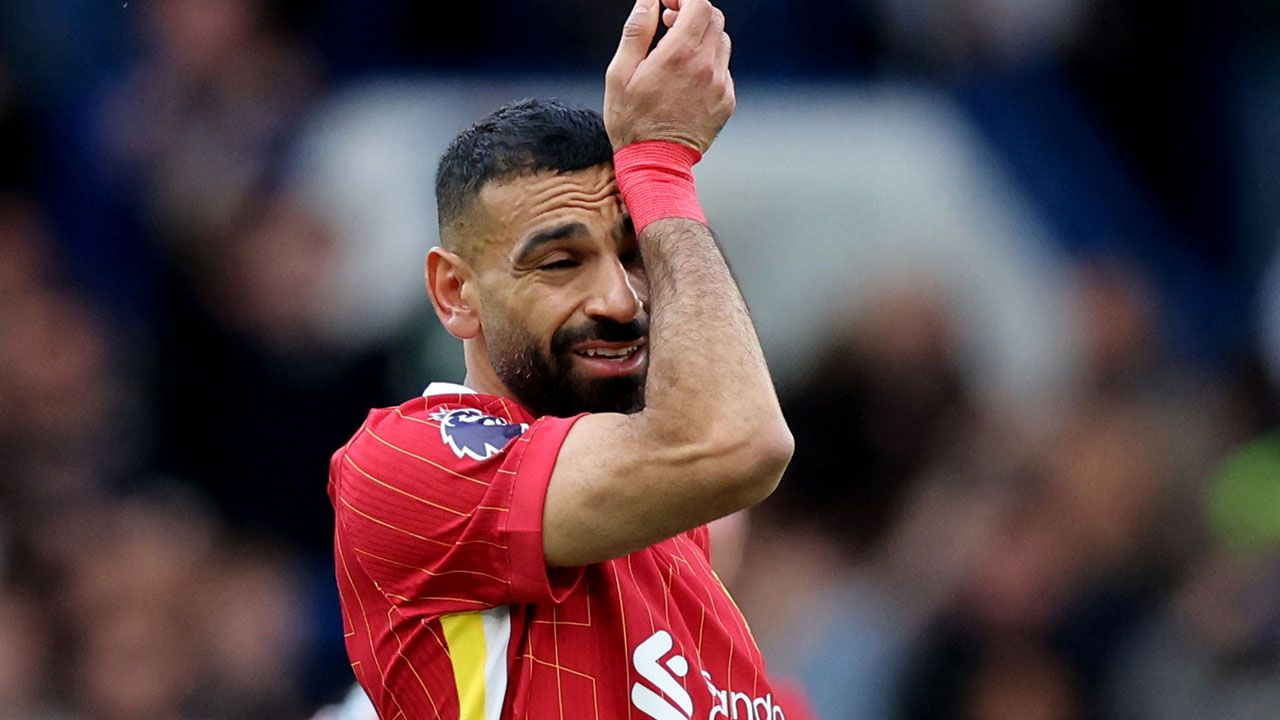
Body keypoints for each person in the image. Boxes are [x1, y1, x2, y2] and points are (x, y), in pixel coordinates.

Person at [327, 0, 796, 718]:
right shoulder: (407, 465)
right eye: (560, 262)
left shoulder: (680, 548)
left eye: (635, 254)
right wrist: (661, 167)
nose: (620, 299)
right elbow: (738, 443)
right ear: (455, 293)